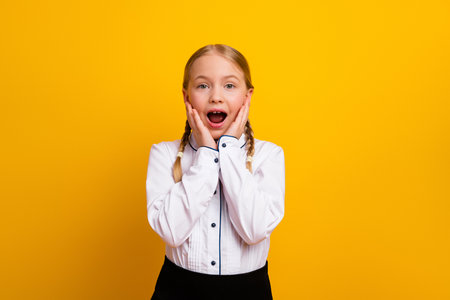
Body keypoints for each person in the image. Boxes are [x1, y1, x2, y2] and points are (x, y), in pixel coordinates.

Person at [146, 44, 285, 300]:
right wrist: (207, 155)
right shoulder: (163, 154)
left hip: (249, 291)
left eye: (229, 86)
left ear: (247, 97)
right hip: (177, 289)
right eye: (202, 86)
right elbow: (171, 231)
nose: (216, 97)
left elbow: (254, 231)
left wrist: (229, 151)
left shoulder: (270, 155)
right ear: (187, 97)